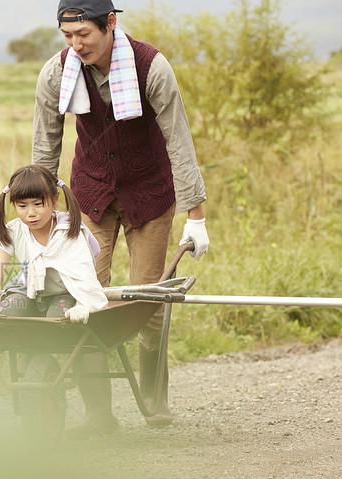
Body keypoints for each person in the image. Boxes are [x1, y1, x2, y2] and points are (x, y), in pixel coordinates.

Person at [31, 0, 210, 432]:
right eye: (67, 36)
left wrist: (196, 215)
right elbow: (45, 145)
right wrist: (35, 209)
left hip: (149, 194)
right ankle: (99, 415)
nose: (76, 45)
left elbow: (179, 142)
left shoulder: (152, 67)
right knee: (86, 298)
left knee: (146, 305)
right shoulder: (56, 73)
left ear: (110, 24)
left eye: (84, 35)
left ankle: (153, 399)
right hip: (90, 195)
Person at [0, 164, 108, 323]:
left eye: (38, 204)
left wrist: (81, 304)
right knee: (8, 310)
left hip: (64, 293)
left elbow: (83, 271)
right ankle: (15, 344)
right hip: (28, 290)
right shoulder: (15, 229)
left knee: (57, 318)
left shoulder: (67, 230)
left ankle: (53, 344)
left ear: (54, 199)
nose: (31, 213)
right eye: (22, 206)